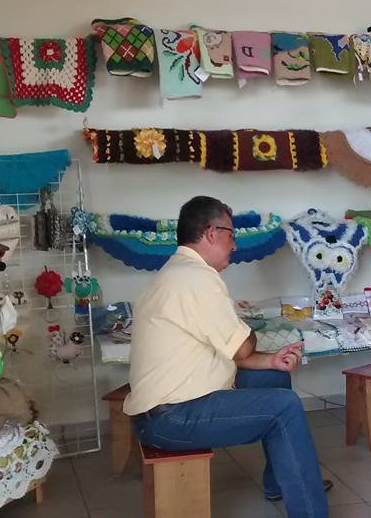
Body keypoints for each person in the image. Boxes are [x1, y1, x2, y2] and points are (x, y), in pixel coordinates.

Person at [123, 196, 330, 518]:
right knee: (285, 407)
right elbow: (242, 348)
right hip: (170, 418)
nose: (234, 245)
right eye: (231, 235)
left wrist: (271, 361)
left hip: (169, 405)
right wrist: (246, 329)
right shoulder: (196, 278)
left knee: (273, 377)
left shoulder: (179, 271)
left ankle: (280, 482)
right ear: (211, 233)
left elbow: (228, 350)